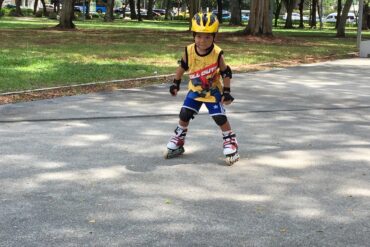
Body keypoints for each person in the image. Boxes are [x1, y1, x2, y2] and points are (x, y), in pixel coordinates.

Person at [164, 12, 239, 165]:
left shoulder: (217, 53)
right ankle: (179, 139)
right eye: (198, 36)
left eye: (207, 37)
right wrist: (175, 83)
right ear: (193, 35)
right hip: (195, 90)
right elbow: (182, 67)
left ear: (214, 36)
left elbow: (226, 72)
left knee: (219, 117)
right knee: (184, 113)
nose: (202, 41)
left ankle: (230, 140)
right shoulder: (189, 50)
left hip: (213, 92)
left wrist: (227, 92)